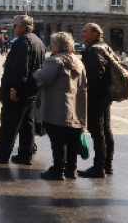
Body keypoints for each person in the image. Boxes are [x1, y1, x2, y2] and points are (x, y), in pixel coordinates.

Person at [0, 14, 44, 163]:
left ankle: (2, 154)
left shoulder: (23, 42)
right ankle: (25, 154)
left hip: (19, 90)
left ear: (23, 27)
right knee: (27, 124)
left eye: (15, 25)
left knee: (9, 124)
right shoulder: (38, 41)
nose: (14, 28)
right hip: (31, 90)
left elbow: (20, 68)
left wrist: (13, 88)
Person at [33, 32, 87, 180]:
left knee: (57, 141)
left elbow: (43, 78)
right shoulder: (78, 61)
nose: (51, 45)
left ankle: (58, 169)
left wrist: (37, 72)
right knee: (71, 140)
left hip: (56, 106)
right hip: (74, 107)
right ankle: (71, 169)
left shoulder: (55, 61)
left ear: (57, 44)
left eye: (52, 42)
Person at [78, 23, 115, 178]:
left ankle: (99, 166)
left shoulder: (93, 51)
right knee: (106, 130)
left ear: (95, 34)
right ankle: (107, 165)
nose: (82, 34)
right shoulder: (105, 47)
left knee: (97, 131)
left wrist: (85, 92)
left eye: (85, 32)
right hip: (105, 95)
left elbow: (93, 76)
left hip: (96, 96)